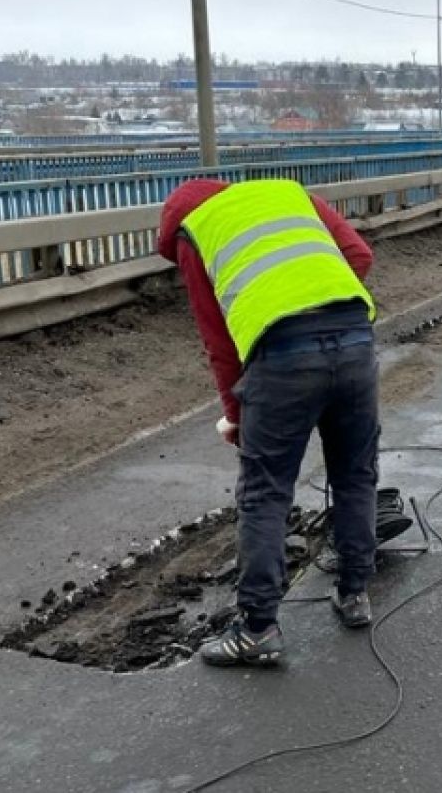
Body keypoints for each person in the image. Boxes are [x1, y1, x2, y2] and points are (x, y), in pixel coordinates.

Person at [157, 177, 380, 667]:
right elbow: (358, 256)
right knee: (355, 474)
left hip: (282, 357)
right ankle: (355, 594)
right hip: (355, 340)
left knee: (266, 491)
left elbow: (220, 343)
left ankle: (258, 628)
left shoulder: (196, 233)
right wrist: (320, 308)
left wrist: (237, 417)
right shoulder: (289, 194)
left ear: (174, 233)